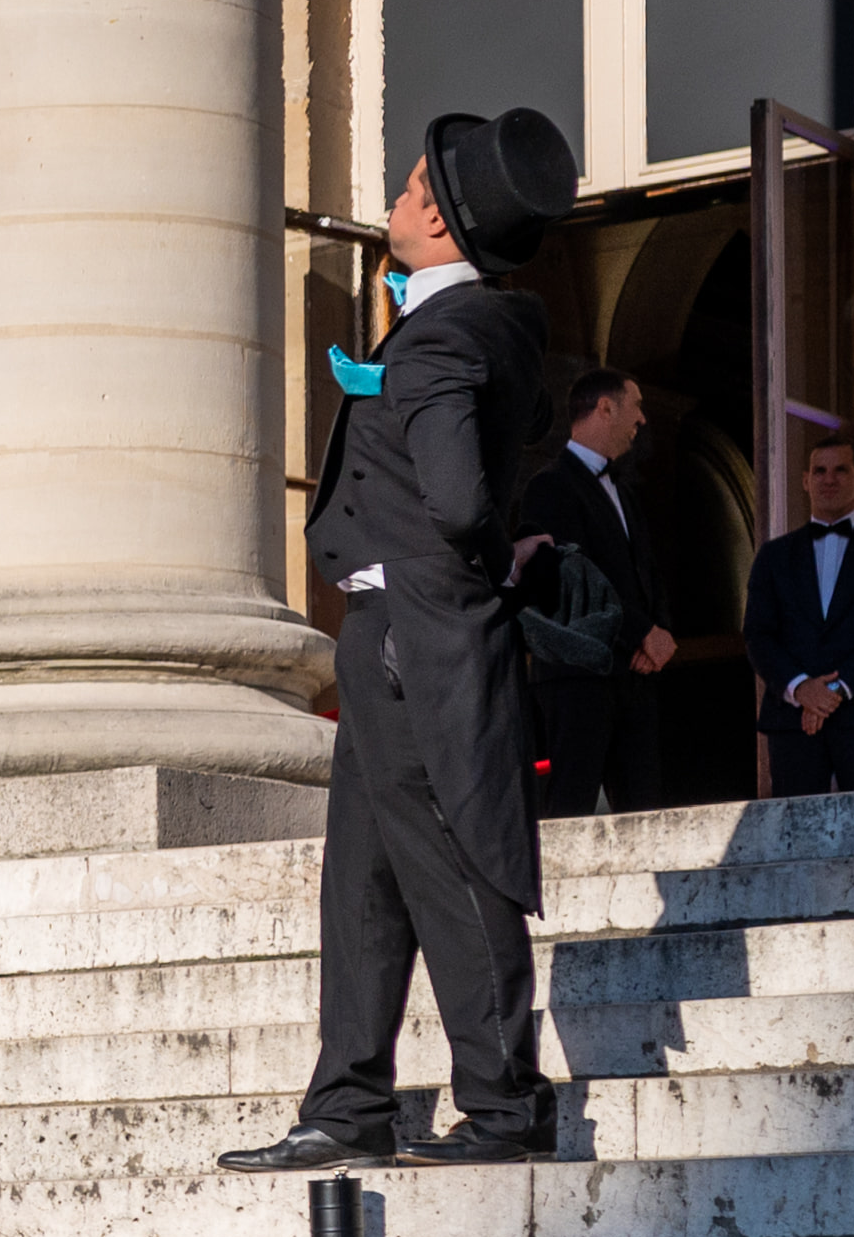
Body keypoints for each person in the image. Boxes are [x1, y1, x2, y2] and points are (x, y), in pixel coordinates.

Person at [224, 107, 578, 1177]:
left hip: (414, 632)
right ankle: (348, 1105)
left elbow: (461, 499)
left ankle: (505, 1105)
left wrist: (474, 562)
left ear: (440, 220)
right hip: (394, 633)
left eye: (415, 183)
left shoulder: (443, 336)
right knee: (363, 881)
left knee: (448, 865)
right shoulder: (474, 327)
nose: (397, 192)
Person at [515, 369, 673, 818]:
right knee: (572, 806)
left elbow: (646, 573)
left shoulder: (626, 491)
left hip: (634, 677)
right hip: (578, 677)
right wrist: (642, 634)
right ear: (605, 407)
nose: (642, 418)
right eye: (636, 405)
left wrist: (660, 630)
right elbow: (573, 576)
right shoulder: (549, 487)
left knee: (643, 813)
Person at [744, 430, 854, 796]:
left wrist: (835, 691)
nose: (829, 479)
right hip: (792, 720)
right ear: (805, 481)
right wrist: (801, 688)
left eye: (840, 470)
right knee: (797, 826)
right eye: (819, 471)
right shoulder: (773, 556)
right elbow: (758, 634)